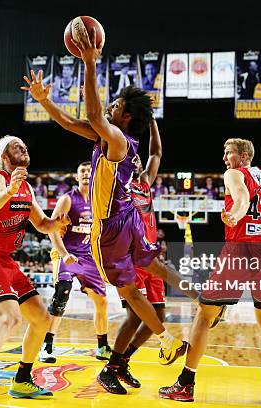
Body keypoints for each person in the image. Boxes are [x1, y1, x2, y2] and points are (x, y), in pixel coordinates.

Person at [21, 30, 192, 396]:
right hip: (130, 218)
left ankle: (166, 341)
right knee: (155, 270)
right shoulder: (118, 141)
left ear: (125, 116)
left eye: (115, 106)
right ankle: (201, 294)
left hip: (110, 227)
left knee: (131, 294)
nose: (108, 109)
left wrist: (89, 63)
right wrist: (44, 103)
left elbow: (93, 113)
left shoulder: (114, 137)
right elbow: (70, 123)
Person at [159, 138, 261, 404]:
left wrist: (236, 214)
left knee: (204, 316)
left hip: (240, 251)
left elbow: (242, 197)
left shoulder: (233, 173)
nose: (224, 158)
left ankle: (186, 384)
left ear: (243, 156)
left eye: (227, 152)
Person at [0, 135, 69, 407]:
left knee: (42, 319)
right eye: (16, 146)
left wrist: (59, 223)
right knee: (9, 318)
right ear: (4, 157)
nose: (23, 148)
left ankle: (21, 380)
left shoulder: (26, 189)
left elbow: (42, 224)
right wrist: (9, 190)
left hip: (6, 262)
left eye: (24, 145)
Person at [38, 161, 112, 363]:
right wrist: (63, 254)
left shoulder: (100, 202)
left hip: (88, 257)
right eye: (82, 171)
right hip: (67, 252)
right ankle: (47, 345)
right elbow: (52, 229)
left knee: (102, 301)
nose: (87, 174)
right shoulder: (67, 200)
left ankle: (103, 346)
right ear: (77, 177)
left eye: (90, 171)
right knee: (62, 292)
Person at [114, 118, 167, 389]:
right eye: (131, 160)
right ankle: (111, 368)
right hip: (129, 259)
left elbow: (156, 153)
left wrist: (152, 123)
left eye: (137, 160)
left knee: (159, 317)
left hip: (151, 260)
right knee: (135, 316)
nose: (136, 163)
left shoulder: (144, 181)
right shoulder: (117, 186)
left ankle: (123, 362)